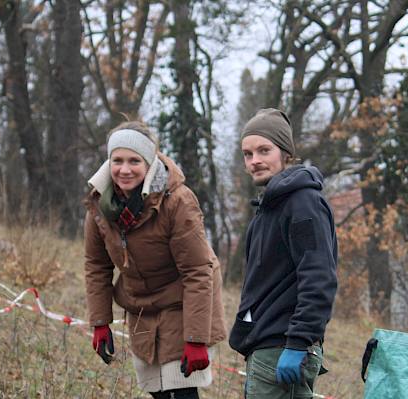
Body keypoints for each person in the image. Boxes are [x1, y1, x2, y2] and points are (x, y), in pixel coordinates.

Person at [83, 121, 226, 399]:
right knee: (158, 392)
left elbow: (198, 271)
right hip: (141, 305)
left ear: (149, 162)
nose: (125, 170)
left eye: (134, 161)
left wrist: (196, 339)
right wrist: (100, 322)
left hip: (184, 302)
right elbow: (96, 266)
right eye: (118, 160)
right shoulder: (98, 204)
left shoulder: (178, 202)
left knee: (181, 392)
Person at [229, 108, 339, 398]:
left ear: (286, 152)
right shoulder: (268, 208)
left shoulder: (303, 204)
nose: (255, 161)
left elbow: (319, 278)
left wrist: (298, 343)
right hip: (265, 347)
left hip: (284, 348)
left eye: (264, 150)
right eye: (248, 154)